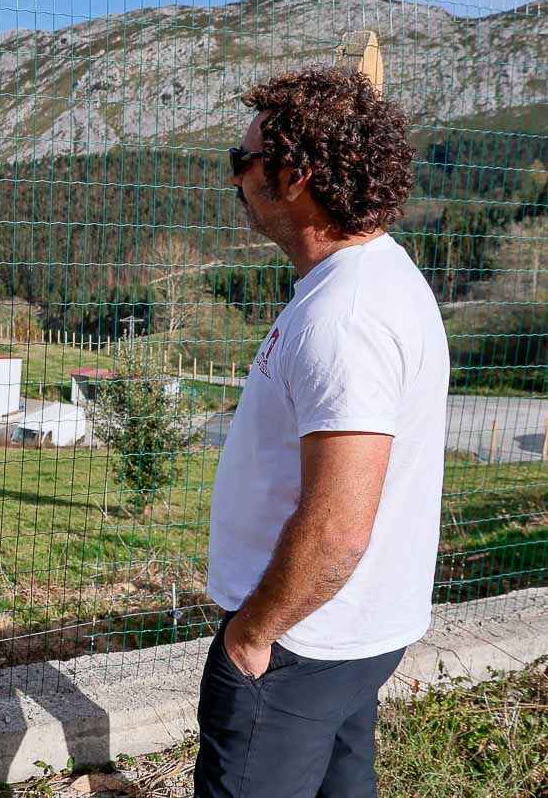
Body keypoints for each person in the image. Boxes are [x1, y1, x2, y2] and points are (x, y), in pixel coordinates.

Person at [196, 68, 449, 798]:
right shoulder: (377, 276)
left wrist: (251, 635)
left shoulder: (345, 317)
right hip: (348, 631)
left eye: (239, 163)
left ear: (294, 176)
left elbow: (338, 527)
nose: (235, 181)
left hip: (297, 642)